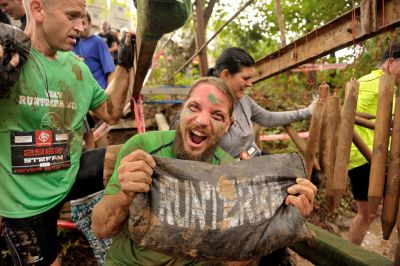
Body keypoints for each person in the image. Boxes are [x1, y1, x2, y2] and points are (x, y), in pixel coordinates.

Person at [91, 77, 317, 265]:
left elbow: (234, 262)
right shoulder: (144, 149)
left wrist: (288, 220)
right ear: (182, 111)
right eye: (194, 107)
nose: (201, 121)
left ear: (228, 125)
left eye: (217, 115)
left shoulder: (232, 173)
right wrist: (125, 194)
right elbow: (100, 229)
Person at [0, 0, 134, 265]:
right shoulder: (9, 56)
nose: (81, 27)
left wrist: (124, 65)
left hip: (67, 173)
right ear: (38, 10)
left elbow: (110, 112)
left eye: (82, 17)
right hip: (24, 205)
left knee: (133, 156)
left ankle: (116, 241)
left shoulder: (77, 68)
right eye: (72, 16)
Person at [206, 47, 315, 160]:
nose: (250, 84)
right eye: (246, 78)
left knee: (300, 169)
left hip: (256, 158)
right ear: (225, 75)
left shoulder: (243, 100)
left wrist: (307, 111)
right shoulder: (206, 109)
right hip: (231, 171)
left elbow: (268, 118)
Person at [348, 43, 400, 245]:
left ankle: (351, 252)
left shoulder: (384, 83)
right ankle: (351, 253)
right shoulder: (373, 82)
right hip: (366, 157)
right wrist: (388, 123)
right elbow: (350, 115)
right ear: (391, 62)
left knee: (368, 214)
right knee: (367, 214)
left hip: (373, 157)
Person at [73, 12, 115, 89]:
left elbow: (111, 73)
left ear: (90, 24)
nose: (80, 27)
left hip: (97, 95)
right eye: (77, 23)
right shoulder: (72, 43)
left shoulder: (98, 42)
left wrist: (107, 96)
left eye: (83, 23)